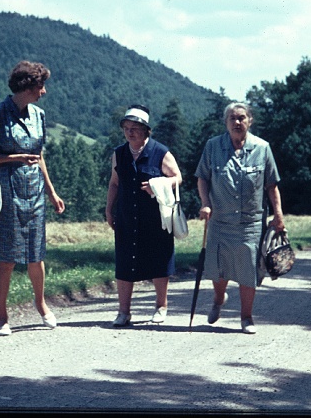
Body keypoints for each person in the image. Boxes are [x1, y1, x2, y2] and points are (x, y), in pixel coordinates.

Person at [0, 60, 66, 336]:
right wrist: (13, 157)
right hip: (6, 191)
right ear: (28, 87)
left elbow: (39, 157)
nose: (44, 91)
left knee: (36, 255)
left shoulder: (39, 115)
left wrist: (51, 192)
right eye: (41, 86)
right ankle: (2, 316)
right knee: (7, 257)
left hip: (34, 192)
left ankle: (41, 304)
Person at [195, 102, 285, 334]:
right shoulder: (213, 146)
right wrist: (205, 203)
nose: (237, 122)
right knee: (218, 270)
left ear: (249, 121)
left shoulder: (262, 148)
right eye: (232, 118)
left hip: (250, 224)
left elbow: (271, 185)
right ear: (226, 122)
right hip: (220, 221)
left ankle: (246, 318)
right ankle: (218, 299)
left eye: (241, 118)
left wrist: (278, 215)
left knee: (248, 273)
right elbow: (202, 177)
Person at [105, 105, 183, 327]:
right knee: (124, 262)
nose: (130, 132)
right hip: (127, 216)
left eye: (135, 128)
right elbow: (114, 183)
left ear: (146, 130)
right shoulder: (119, 153)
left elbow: (178, 177)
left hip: (156, 218)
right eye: (126, 128)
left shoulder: (160, 152)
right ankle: (123, 312)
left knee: (159, 260)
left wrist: (158, 184)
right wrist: (109, 209)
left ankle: (161, 306)